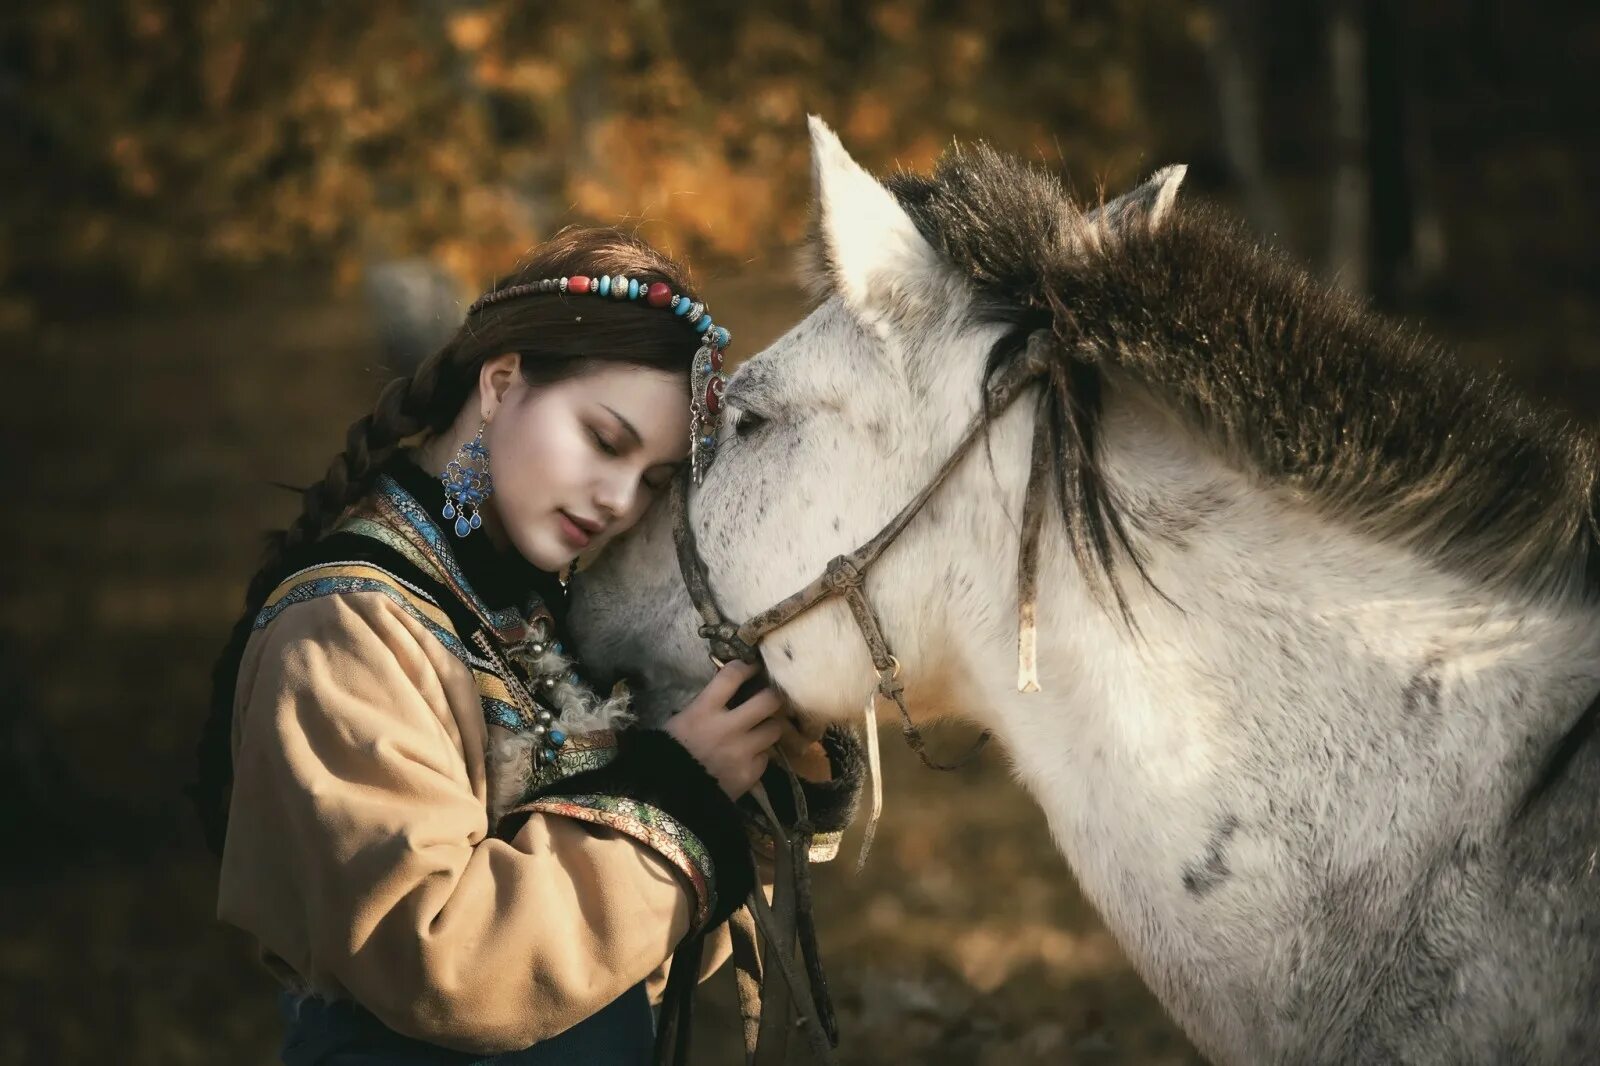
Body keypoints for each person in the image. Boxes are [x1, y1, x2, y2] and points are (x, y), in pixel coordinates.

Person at [190, 227, 859, 1064]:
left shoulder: (535, 617)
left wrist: (750, 796)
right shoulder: (346, 628)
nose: (620, 499)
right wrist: (677, 798)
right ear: (503, 382)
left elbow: (617, 959)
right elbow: (445, 966)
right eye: (605, 441)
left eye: (655, 479)